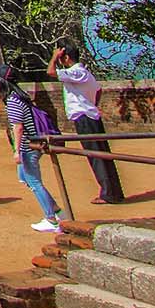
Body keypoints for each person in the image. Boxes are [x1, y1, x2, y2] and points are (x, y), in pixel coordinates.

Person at [51, 45, 125, 204]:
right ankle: (113, 192)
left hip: (85, 118)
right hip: (90, 115)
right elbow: (98, 90)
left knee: (96, 155)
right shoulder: (85, 73)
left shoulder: (77, 72)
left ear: (66, 58)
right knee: (102, 154)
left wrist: (54, 57)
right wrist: (92, 104)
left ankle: (109, 194)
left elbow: (51, 72)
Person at [0, 65, 63, 233]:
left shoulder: (13, 100)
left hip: (28, 147)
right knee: (24, 177)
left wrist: (17, 151)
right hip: (31, 144)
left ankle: (52, 220)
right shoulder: (21, 96)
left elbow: (18, 127)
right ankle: (57, 211)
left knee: (34, 182)